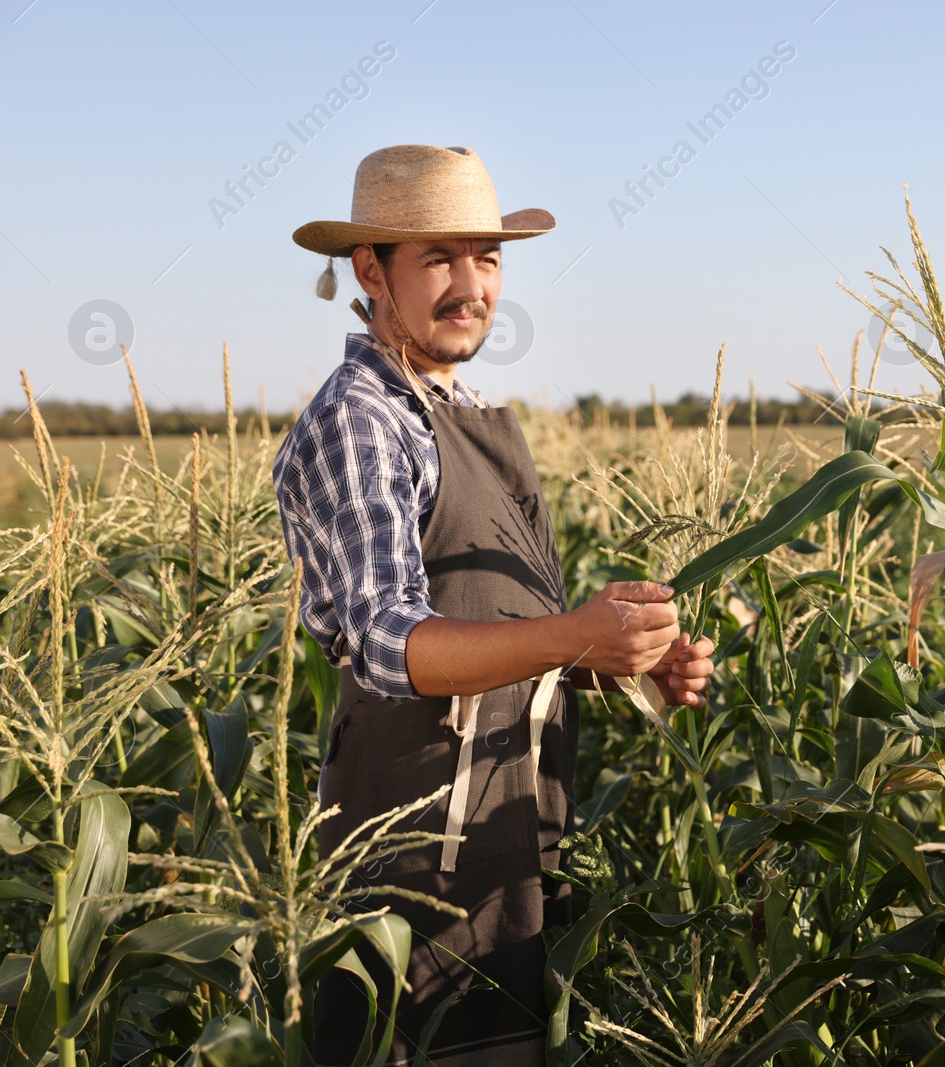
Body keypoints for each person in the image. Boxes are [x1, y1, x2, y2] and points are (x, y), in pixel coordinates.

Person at [275, 144, 715, 1065]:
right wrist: (577, 633)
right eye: (438, 258)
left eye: (487, 256)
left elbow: (514, 641)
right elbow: (393, 643)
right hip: (413, 875)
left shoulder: (462, 408)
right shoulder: (360, 421)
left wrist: (622, 661)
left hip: (508, 852)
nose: (470, 285)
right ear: (371, 271)